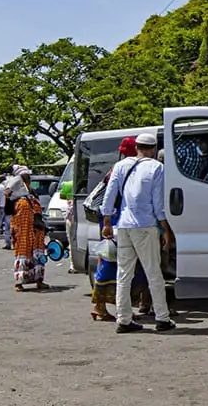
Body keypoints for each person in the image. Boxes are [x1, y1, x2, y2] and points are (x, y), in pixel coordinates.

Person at [101, 133, 176, 333]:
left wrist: (107, 221)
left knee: (123, 274)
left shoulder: (121, 166)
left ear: (137, 147)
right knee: (154, 273)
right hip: (146, 225)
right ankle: (162, 318)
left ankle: (123, 320)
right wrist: (165, 230)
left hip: (123, 226)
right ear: (153, 149)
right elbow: (158, 203)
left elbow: (109, 196)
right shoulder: (156, 167)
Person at [90, 137, 155, 321]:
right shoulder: (126, 169)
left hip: (113, 222)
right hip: (120, 223)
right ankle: (102, 307)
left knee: (117, 266)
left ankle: (119, 309)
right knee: (116, 266)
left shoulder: (116, 168)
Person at [9, 166, 49, 292]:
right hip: (23, 233)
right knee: (23, 254)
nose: (27, 180)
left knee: (37, 254)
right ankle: (19, 282)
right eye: (25, 178)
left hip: (36, 231)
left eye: (28, 177)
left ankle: (39, 280)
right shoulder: (16, 198)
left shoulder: (32, 195)